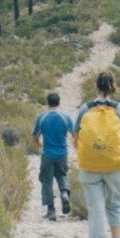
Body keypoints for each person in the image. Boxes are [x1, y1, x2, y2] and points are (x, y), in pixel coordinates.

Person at [74, 71, 120, 238]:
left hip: (89, 167)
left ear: (96, 87)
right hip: (115, 165)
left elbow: (77, 141)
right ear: (113, 87)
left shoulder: (85, 109)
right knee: (116, 203)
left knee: (95, 209)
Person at [32, 92, 75, 222]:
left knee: (47, 181)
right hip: (62, 153)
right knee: (62, 175)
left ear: (47, 102)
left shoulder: (42, 118)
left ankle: (51, 211)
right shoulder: (66, 117)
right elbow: (75, 134)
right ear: (59, 102)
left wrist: (39, 146)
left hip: (47, 153)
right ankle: (64, 193)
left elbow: (35, 137)